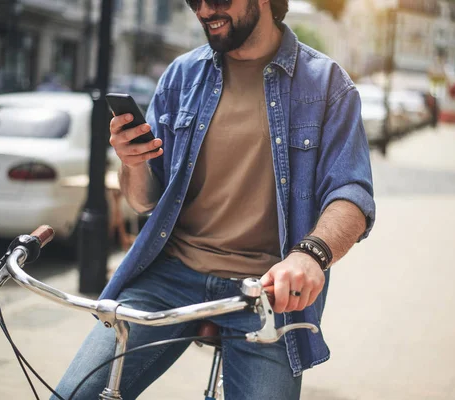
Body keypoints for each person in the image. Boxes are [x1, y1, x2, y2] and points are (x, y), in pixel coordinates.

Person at [54, 0, 375, 398]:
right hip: (169, 276)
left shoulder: (327, 85)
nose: (205, 10)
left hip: (265, 293)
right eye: (194, 0)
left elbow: (352, 194)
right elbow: (143, 202)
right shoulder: (181, 76)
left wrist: (311, 255)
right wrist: (132, 164)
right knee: (72, 395)